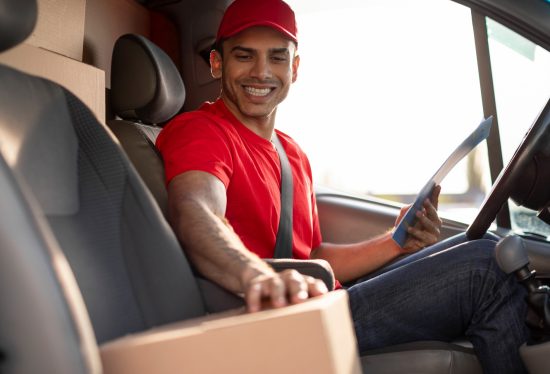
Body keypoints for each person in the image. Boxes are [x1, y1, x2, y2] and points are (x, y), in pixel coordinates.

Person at [156, 0, 529, 372]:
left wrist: (397, 242)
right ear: (217, 63)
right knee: (485, 269)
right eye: (244, 56)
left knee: (485, 245)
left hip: (321, 301)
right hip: (282, 322)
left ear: (295, 67)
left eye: (277, 57)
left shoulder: (292, 153)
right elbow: (196, 211)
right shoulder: (201, 131)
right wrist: (256, 275)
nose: (261, 72)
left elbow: (314, 255)